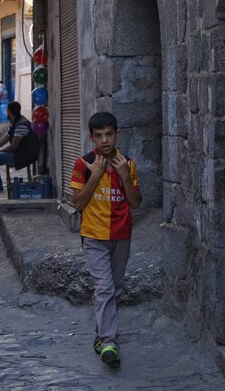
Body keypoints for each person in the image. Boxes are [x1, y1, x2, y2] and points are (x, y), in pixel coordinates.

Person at [70, 112, 142, 369]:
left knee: (116, 288)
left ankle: (101, 337)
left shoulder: (127, 164)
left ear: (117, 134)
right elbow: (78, 204)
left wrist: (123, 176)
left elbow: (135, 202)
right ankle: (110, 342)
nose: (104, 140)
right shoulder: (84, 163)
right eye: (98, 135)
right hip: (93, 236)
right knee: (104, 288)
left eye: (109, 134)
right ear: (91, 137)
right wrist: (97, 174)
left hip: (122, 235)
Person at [0, 102, 40, 193]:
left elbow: (13, 146)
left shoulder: (21, 124)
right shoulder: (14, 124)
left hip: (23, 156)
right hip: (18, 153)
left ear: (9, 111)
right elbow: (1, 141)